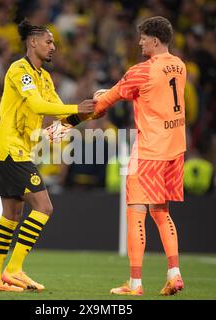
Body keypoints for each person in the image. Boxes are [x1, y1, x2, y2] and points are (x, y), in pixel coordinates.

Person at [49, 16, 186, 296]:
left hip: (150, 150)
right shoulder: (179, 66)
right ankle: (174, 273)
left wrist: (66, 123)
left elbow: (101, 106)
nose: (139, 42)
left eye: (143, 38)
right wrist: (117, 93)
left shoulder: (141, 70)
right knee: (161, 212)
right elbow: (152, 95)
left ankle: (135, 284)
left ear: (155, 40)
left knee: (136, 211)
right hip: (175, 148)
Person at [0, 19, 95, 292]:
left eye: (53, 42)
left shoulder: (44, 77)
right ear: (32, 42)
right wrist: (76, 107)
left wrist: (83, 114)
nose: (53, 47)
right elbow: (36, 104)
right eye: (49, 41)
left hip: (20, 149)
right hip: (11, 148)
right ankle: (14, 268)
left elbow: (57, 111)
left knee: (12, 214)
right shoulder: (19, 70)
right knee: (44, 207)